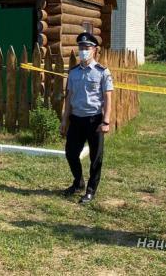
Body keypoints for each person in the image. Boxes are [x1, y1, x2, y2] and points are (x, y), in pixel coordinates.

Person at [59, 33, 113, 204]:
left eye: (87, 48)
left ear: (95, 50)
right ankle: (78, 182)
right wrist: (64, 120)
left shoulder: (102, 72)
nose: (83, 51)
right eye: (81, 48)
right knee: (70, 153)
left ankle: (91, 190)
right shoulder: (73, 72)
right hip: (76, 119)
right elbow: (69, 98)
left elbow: (108, 98)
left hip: (95, 120)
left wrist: (106, 121)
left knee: (96, 158)